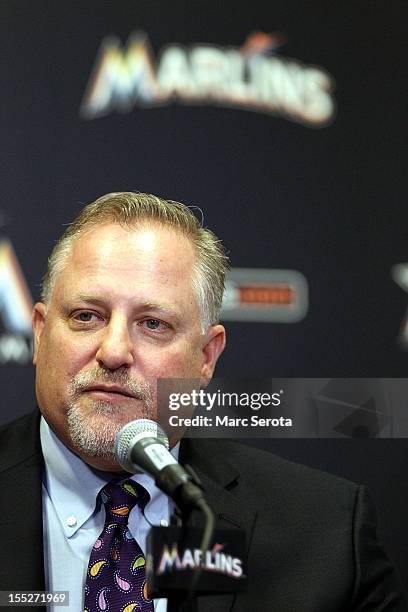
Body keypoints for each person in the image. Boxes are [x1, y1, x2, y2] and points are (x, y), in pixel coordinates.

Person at [0, 192, 406, 612]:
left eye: (153, 324)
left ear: (206, 357)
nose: (114, 351)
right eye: (87, 316)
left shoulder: (325, 531)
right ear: (41, 334)